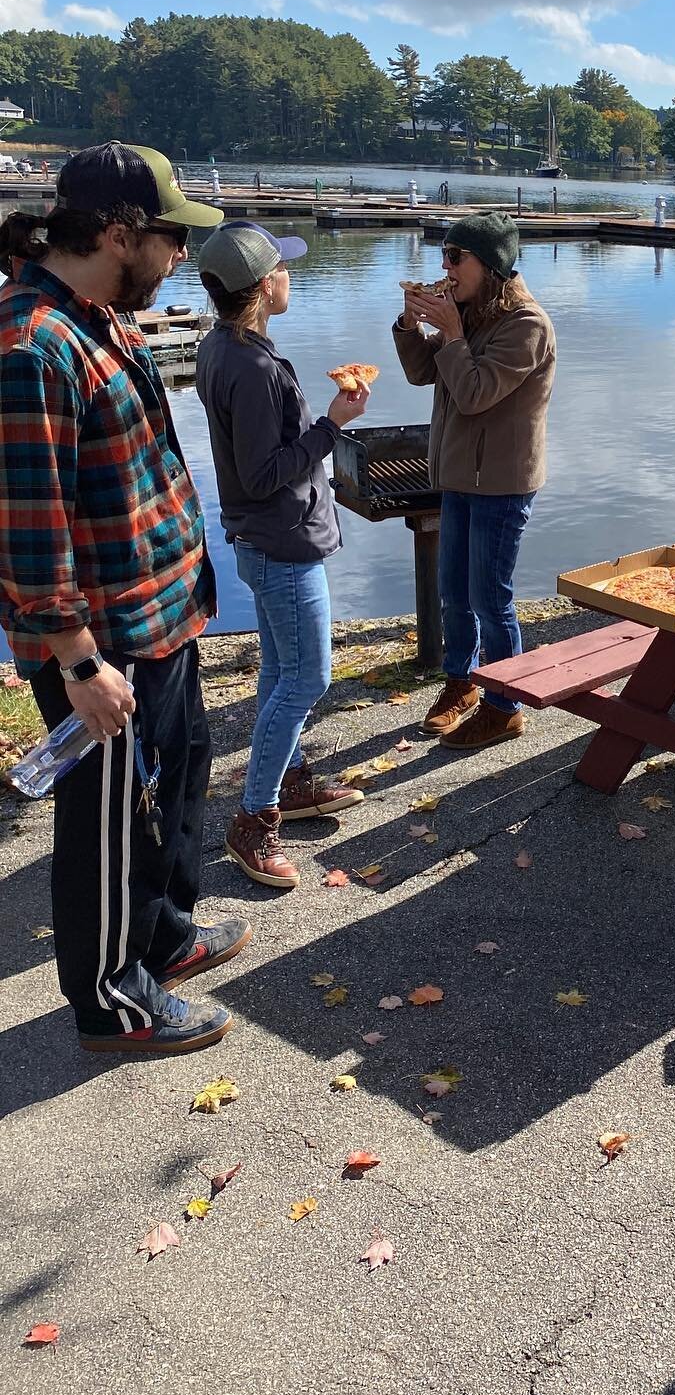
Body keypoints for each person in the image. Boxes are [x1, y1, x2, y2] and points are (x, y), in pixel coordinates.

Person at [0, 141, 238, 1057]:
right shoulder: (30, 346)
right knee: (104, 821)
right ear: (114, 232)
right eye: (171, 238)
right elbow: (28, 531)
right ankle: (110, 1002)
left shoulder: (101, 316)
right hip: (101, 646)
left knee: (177, 786)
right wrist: (77, 661)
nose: (183, 257)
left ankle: (166, 936)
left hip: (163, 615)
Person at [194, 221, 370, 890]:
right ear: (264, 284)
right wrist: (332, 425)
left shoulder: (223, 347)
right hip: (282, 543)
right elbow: (266, 472)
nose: (290, 276)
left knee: (280, 672)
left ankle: (287, 781)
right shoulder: (253, 365)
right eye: (284, 269)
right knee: (307, 679)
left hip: (260, 539)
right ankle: (253, 819)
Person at [393, 212, 555, 749]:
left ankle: (504, 704)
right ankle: (461, 682)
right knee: (453, 593)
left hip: (502, 484)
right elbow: (424, 373)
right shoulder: (469, 310)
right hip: (459, 474)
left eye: (455, 257)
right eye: (444, 254)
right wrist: (411, 325)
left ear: (489, 264)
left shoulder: (526, 326)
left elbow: (476, 393)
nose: (445, 267)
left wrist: (454, 333)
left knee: (490, 597)